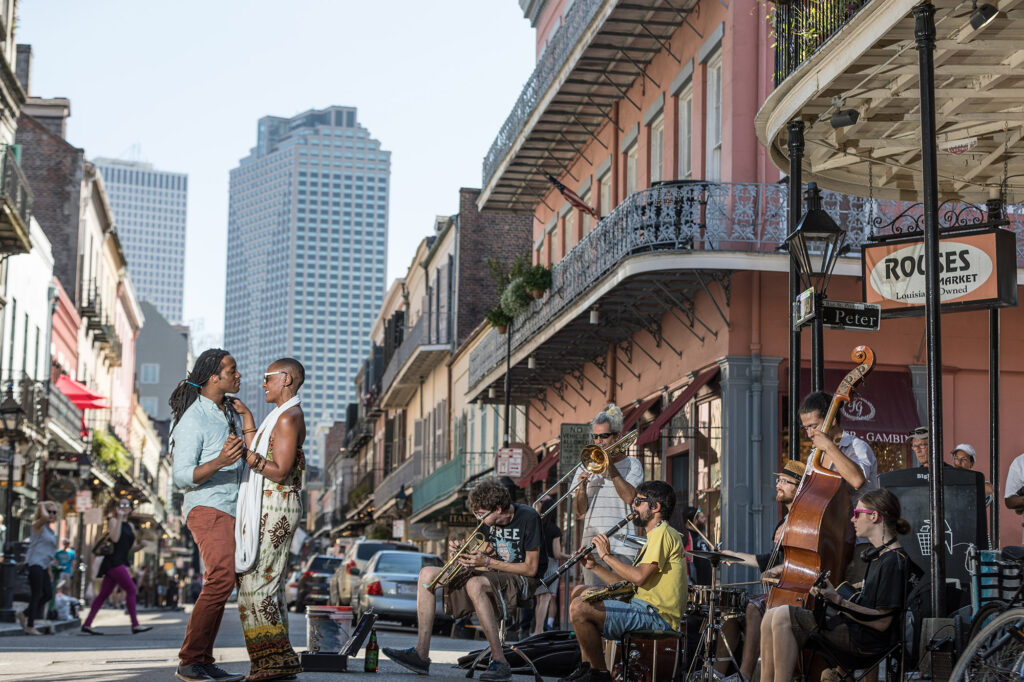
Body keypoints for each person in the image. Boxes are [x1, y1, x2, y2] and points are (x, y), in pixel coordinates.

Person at [383, 478, 546, 682]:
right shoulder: (489, 522)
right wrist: (463, 552)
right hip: (494, 572)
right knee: (427, 574)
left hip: (522, 579)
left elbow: (530, 569)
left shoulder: (528, 517)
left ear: (497, 508)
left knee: (474, 583)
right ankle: (421, 654)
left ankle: (500, 661)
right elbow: (484, 550)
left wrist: (486, 562)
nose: (477, 518)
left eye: (480, 513)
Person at [760, 488, 915, 682]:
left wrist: (837, 600)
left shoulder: (893, 561)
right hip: (854, 631)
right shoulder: (880, 556)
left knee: (783, 615)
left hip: (864, 643)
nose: (852, 519)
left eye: (857, 514)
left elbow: (882, 622)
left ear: (874, 516)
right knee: (771, 614)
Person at [170, 348, 252, 682]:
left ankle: (202, 660)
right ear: (214, 376)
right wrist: (219, 461)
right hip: (207, 507)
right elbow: (180, 475)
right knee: (220, 577)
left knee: (225, 578)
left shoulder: (226, 412)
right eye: (232, 370)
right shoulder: (194, 418)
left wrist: (246, 419)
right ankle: (190, 660)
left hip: (230, 507)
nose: (238, 375)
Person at [558, 480, 687, 682]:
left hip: (656, 615)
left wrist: (607, 556)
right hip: (642, 606)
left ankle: (599, 674)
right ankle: (586, 668)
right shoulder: (655, 536)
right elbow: (628, 584)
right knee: (580, 592)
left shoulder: (663, 533)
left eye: (638, 502)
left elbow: (639, 577)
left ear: (655, 507)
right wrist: (595, 566)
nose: (633, 506)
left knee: (579, 608)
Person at [237, 358, 307, 681]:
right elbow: (264, 456)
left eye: (269, 378)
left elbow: (278, 470)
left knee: (257, 585)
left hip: (277, 508)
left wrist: (246, 455)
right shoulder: (279, 416)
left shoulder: (289, 418)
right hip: (271, 506)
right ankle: (279, 660)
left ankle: (271, 663)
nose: (264, 384)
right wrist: (247, 418)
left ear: (287, 380)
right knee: (266, 584)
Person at [717, 460, 805, 682]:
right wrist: (733, 557)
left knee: (754, 605)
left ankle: (745, 675)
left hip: (792, 594)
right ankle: (716, 673)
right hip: (776, 591)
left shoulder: (803, 521)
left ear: (799, 488)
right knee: (730, 615)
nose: (778, 484)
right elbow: (768, 560)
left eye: (786, 481)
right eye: (778, 480)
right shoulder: (782, 522)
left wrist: (778, 570)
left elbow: (801, 562)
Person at [573, 403, 643, 586]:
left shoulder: (633, 465)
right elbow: (579, 510)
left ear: (617, 436)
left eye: (604, 436)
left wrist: (609, 467)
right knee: (593, 602)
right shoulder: (585, 465)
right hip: (593, 546)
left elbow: (630, 498)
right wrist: (581, 488)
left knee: (622, 601)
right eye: (595, 437)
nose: (599, 441)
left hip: (623, 546)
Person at [81, 497, 151, 635]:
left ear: (130, 508)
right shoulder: (113, 521)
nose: (124, 507)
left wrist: (140, 546)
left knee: (102, 595)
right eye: (121, 504)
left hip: (121, 561)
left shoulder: (130, 526)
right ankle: (135, 625)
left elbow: (130, 549)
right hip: (113, 562)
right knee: (131, 589)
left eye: (127, 505)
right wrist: (118, 518)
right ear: (116, 507)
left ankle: (87, 624)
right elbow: (115, 539)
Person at [799, 391, 877, 491]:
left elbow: (857, 480)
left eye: (814, 426)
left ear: (832, 421)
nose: (809, 434)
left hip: (857, 507)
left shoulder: (857, 446)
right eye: (806, 428)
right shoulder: (814, 456)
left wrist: (829, 447)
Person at [17, 501, 59, 635]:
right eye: (49, 511)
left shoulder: (50, 530)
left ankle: (24, 614)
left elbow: (48, 553)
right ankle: (30, 625)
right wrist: (41, 505)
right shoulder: (37, 525)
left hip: (44, 566)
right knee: (37, 594)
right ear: (43, 512)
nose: (51, 514)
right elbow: (44, 517)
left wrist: (50, 571)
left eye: (54, 512)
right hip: (35, 563)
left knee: (47, 594)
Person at [533, 495, 570, 635]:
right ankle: (539, 630)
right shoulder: (554, 529)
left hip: (538, 564)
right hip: (550, 566)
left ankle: (537, 630)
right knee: (546, 598)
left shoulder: (538, 527)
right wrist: (571, 556)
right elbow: (557, 554)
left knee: (539, 599)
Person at [684, 506, 713, 586]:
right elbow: (687, 557)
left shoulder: (701, 533)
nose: (704, 520)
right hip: (695, 578)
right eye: (702, 517)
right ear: (694, 520)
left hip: (706, 576)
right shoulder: (687, 535)